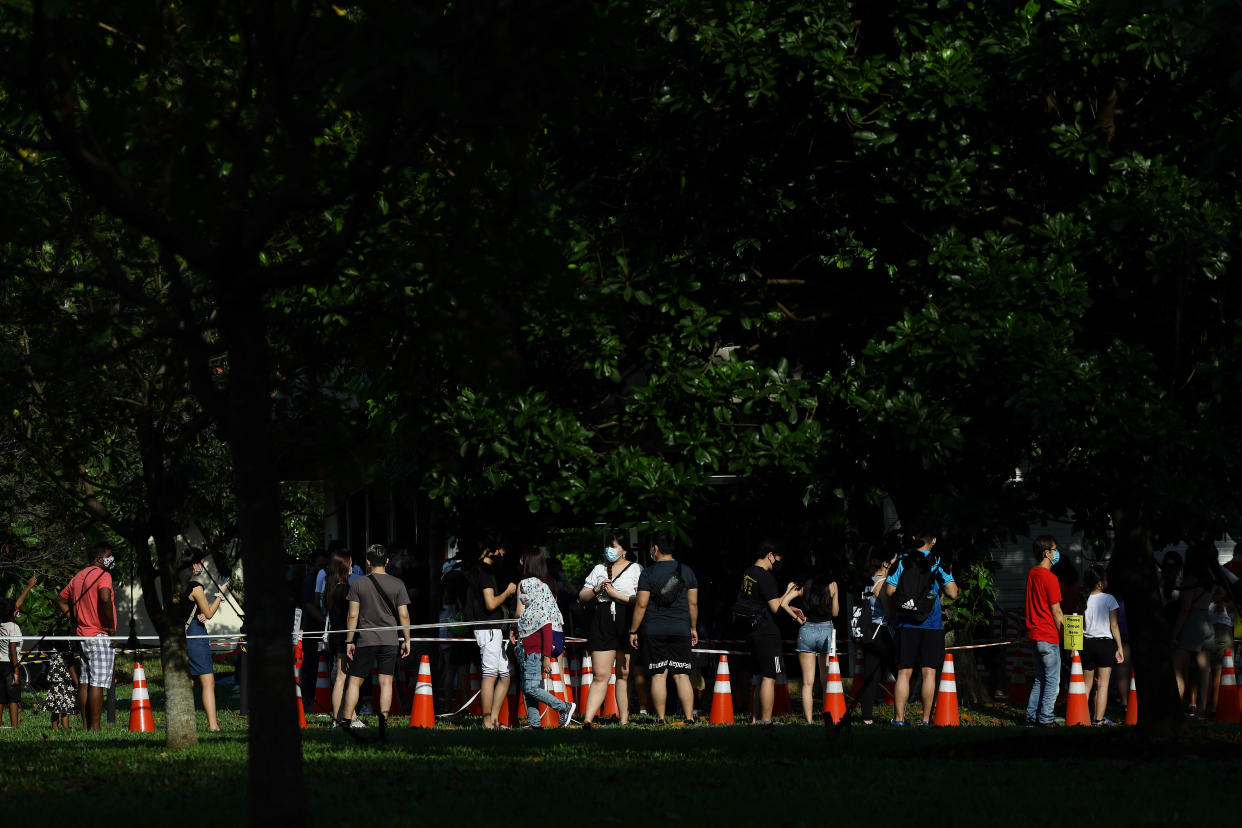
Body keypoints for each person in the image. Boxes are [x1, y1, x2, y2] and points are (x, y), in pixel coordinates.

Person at [883, 532, 958, 726]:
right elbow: (953, 593)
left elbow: (889, 591)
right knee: (929, 673)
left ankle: (899, 719)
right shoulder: (937, 562)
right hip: (931, 625)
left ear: (914, 537)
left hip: (906, 623)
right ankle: (925, 720)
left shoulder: (903, 561)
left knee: (904, 672)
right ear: (933, 540)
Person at [627, 532, 699, 725]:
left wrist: (633, 630)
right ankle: (690, 718)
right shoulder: (687, 571)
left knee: (659, 675)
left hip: (654, 630)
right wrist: (693, 627)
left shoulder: (648, 573)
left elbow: (641, 605)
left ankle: (660, 718)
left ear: (655, 548)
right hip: (681, 629)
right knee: (682, 675)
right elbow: (693, 605)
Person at [339, 544, 412, 730]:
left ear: (368, 562)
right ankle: (383, 720)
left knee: (355, 681)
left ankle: (346, 720)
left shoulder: (358, 583)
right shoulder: (398, 584)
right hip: (389, 640)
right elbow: (404, 614)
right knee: (386, 680)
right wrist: (407, 639)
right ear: (387, 561)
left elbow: (352, 615)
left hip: (366, 639)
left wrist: (349, 641)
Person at [732, 539, 803, 726]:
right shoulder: (765, 577)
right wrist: (788, 593)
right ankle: (766, 720)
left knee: (758, 676)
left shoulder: (748, 573)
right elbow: (774, 607)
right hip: (767, 632)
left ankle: (756, 720)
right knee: (770, 676)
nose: (778, 563)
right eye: (778, 559)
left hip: (751, 631)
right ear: (770, 555)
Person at [578, 532, 643, 728]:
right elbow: (582, 596)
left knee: (624, 674)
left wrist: (616, 595)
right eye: (608, 547)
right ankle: (588, 720)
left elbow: (641, 600)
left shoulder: (636, 569)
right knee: (600, 674)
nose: (610, 551)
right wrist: (597, 589)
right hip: (602, 619)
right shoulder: (598, 569)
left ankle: (624, 719)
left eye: (614, 547)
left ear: (624, 550)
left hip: (626, 620)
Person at [56, 545, 116, 730]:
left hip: (81, 635)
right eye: (108, 557)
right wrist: (110, 625)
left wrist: (74, 618)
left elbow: (61, 599)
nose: (111, 560)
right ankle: (95, 727)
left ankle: (85, 725)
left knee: (85, 682)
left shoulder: (78, 576)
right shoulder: (102, 575)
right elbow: (105, 598)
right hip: (99, 634)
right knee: (97, 683)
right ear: (99, 558)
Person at [178, 548, 231, 731]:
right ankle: (213, 725)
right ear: (194, 564)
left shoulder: (176, 586)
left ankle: (183, 722)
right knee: (207, 681)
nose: (202, 566)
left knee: (189, 680)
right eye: (200, 562)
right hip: (196, 635)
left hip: (180, 635)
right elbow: (208, 613)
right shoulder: (196, 587)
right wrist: (220, 594)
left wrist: (196, 613)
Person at [1171, 545, 1224, 718]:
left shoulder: (1190, 580)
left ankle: (1176, 706)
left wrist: (1175, 632)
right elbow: (1221, 592)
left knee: (1177, 666)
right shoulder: (1209, 579)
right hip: (1206, 622)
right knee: (1205, 669)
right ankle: (1202, 709)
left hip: (1192, 622)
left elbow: (1185, 608)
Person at [466, 544, 516, 729]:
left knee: (504, 676)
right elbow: (490, 603)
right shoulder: (483, 572)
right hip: (488, 629)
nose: (503, 554)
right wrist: (508, 592)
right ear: (490, 550)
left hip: (492, 630)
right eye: (501, 550)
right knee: (489, 676)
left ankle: (493, 720)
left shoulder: (480, 570)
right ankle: (487, 721)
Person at [514, 577, 574, 728]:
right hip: (525, 655)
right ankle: (535, 725)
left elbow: (548, 637)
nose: (522, 596)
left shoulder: (542, 611)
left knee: (532, 688)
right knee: (528, 692)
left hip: (535, 655)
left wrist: (546, 657)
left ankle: (563, 707)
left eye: (524, 592)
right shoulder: (528, 612)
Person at [1023, 535, 1065, 727]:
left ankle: (1031, 716)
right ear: (1047, 553)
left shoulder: (1032, 574)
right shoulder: (1051, 578)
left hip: (1034, 635)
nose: (1057, 553)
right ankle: (1046, 717)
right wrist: (1065, 635)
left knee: (1040, 678)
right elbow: (1056, 611)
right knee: (1052, 680)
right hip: (1048, 635)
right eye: (1055, 550)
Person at [787, 574, 838, 723]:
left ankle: (809, 721)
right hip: (826, 629)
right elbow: (835, 613)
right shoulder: (832, 584)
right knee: (825, 680)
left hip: (806, 630)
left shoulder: (803, 586)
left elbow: (784, 603)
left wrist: (797, 618)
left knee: (807, 682)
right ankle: (827, 717)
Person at [856, 549, 897, 725]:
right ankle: (900, 715)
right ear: (886, 564)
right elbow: (888, 613)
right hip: (883, 633)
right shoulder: (882, 584)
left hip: (869, 632)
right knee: (903, 672)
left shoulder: (868, 582)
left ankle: (867, 718)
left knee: (870, 678)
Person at [1079, 565, 1124, 726]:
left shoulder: (1083, 598)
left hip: (1086, 644)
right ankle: (1098, 720)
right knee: (1103, 685)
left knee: (1086, 684)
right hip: (1105, 644)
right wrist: (1119, 647)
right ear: (1099, 583)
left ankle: (1081, 718)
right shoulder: (1109, 599)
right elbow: (1114, 626)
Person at [322, 553, 352, 720]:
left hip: (334, 633)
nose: (352, 567)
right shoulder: (346, 590)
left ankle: (342, 716)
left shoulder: (330, 588)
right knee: (343, 677)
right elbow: (351, 616)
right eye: (350, 564)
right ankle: (341, 717)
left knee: (341, 676)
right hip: (344, 635)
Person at [43, 636, 79, 729]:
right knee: (65, 710)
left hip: (54, 686)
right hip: (65, 687)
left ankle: (54, 728)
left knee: (54, 709)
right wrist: (77, 683)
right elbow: (72, 671)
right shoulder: (68, 656)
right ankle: (65, 728)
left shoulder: (53, 656)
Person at [0, 598, 22, 728]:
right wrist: (16, 671)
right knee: (13, 697)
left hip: (0, 663)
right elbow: (12, 649)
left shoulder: (1, 625)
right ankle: (14, 726)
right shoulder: (13, 627)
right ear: (12, 612)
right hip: (10, 664)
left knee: (1, 696)